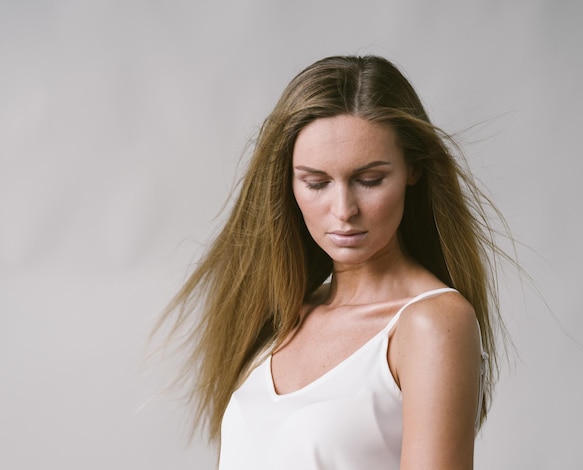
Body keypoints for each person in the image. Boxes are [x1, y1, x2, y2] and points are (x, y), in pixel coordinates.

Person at [159, 55, 508, 469]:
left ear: (413, 169)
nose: (343, 209)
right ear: (287, 182)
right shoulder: (284, 314)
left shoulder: (431, 325)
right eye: (317, 183)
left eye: (369, 180)